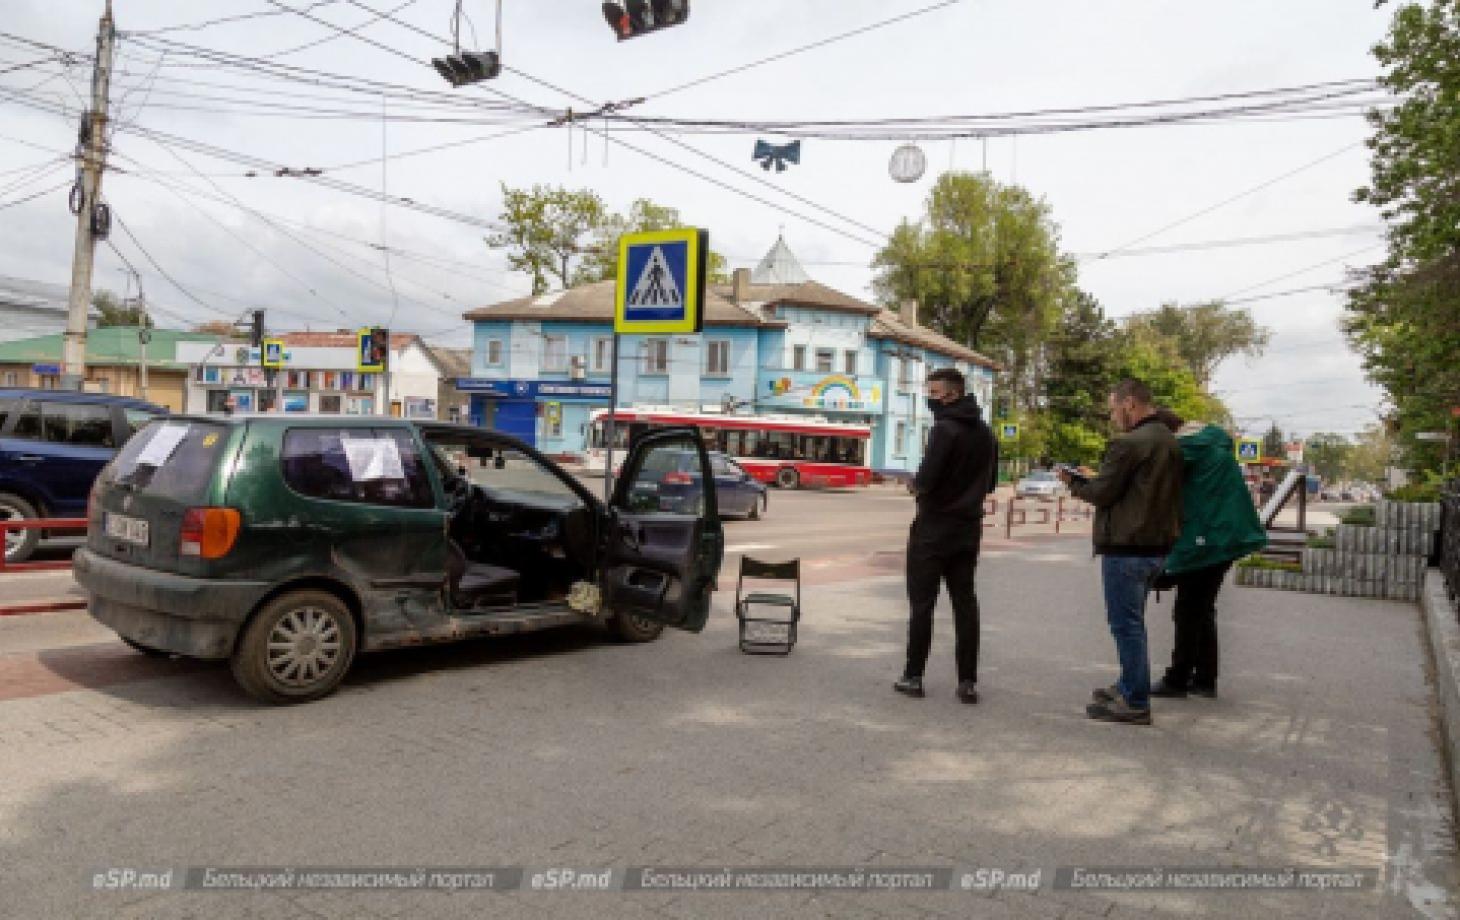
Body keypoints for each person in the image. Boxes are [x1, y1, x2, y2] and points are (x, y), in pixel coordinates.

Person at [1058, 378, 1182, 726]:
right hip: (1157, 546)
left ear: (1129, 403)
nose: (1112, 416)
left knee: (1126, 625)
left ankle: (1136, 700)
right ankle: (1131, 683)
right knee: (1134, 623)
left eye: (1113, 408)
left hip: (1126, 547)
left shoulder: (1128, 443)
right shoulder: (1168, 440)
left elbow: (1103, 494)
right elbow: (1136, 489)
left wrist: (1075, 483)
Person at [894, 368, 998, 704]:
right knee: (965, 605)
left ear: (951, 394)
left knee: (922, 605)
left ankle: (913, 676)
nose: (929, 398)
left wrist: (914, 484)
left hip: (933, 530)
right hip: (968, 530)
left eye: (934, 392)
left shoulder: (943, 430)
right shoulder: (985, 433)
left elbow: (926, 481)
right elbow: (991, 483)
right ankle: (967, 682)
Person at [1149, 408, 1267, 699]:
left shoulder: (1187, 449)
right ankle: (1204, 679)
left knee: (1189, 609)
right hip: (1225, 536)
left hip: (1208, 539)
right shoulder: (1211, 443)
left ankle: (1177, 679)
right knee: (1201, 608)